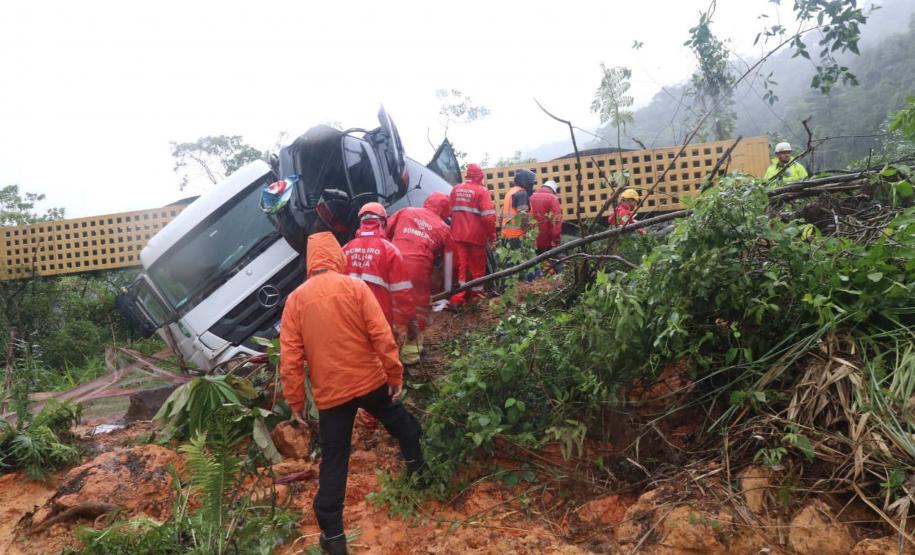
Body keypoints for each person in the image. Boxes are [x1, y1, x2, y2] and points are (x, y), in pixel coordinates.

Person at [279, 231, 424, 555]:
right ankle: (420, 470)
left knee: (335, 458)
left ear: (311, 262)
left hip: (331, 395)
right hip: (370, 381)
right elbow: (381, 334)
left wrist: (297, 404)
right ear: (335, 256)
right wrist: (394, 373)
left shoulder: (295, 301)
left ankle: (333, 536)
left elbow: (290, 359)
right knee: (400, 422)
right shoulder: (355, 287)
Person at [385, 192, 454, 365]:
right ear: (446, 211)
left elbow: (385, 232)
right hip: (418, 269)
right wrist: (447, 289)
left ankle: (388, 355)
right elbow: (450, 262)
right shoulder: (444, 229)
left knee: (390, 307)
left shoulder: (405, 211)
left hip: (392, 263)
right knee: (417, 311)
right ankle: (410, 358)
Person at [342, 203, 417, 338]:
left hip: (349, 315)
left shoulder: (345, 249)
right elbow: (401, 291)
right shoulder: (389, 250)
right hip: (379, 315)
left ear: (361, 222)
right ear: (382, 222)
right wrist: (409, 318)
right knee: (380, 354)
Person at [449, 163, 496, 305]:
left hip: (457, 235)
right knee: (477, 269)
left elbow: (451, 210)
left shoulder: (455, 189)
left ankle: (457, 299)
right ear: (480, 176)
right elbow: (488, 217)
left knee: (460, 268)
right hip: (476, 236)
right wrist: (492, 236)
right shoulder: (482, 191)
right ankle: (476, 297)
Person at [500, 169, 535, 248]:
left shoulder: (510, 192)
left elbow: (500, 216)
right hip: (517, 237)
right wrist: (528, 235)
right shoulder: (521, 193)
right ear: (526, 180)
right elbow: (523, 216)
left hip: (506, 236)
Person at [530, 180, 562, 255]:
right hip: (547, 241)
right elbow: (556, 221)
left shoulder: (530, 196)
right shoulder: (553, 198)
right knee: (553, 263)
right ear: (553, 190)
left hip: (532, 240)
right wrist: (556, 240)